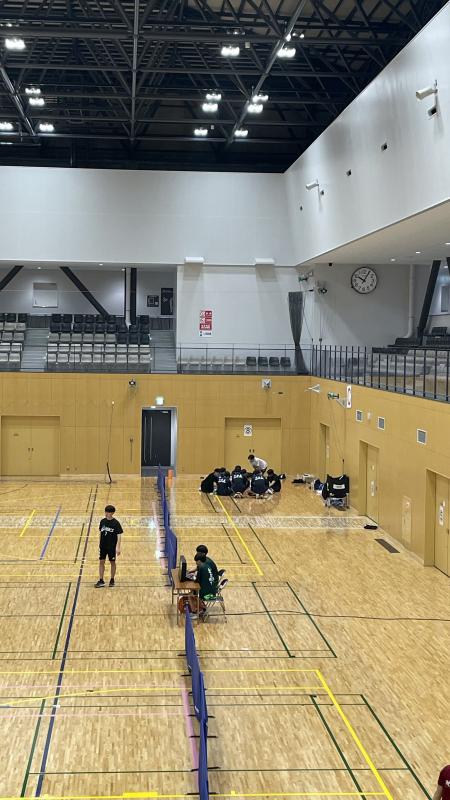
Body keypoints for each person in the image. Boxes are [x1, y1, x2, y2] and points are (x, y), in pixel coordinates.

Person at [181, 552, 218, 619]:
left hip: (208, 593)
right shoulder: (206, 566)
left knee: (190, 595)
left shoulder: (201, 567)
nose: (196, 563)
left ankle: (195, 612)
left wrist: (191, 577)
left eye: (196, 561)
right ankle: (202, 608)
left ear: (200, 561)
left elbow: (197, 580)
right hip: (212, 589)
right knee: (193, 592)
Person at [95, 505, 123, 588]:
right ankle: (101, 580)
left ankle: (112, 579)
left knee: (112, 562)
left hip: (111, 547)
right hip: (103, 546)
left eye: (108, 512)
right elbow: (101, 533)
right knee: (101, 561)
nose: (106, 513)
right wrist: (99, 544)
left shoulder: (116, 523)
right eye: (106, 512)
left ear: (112, 513)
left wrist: (118, 547)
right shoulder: (102, 521)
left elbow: (119, 535)